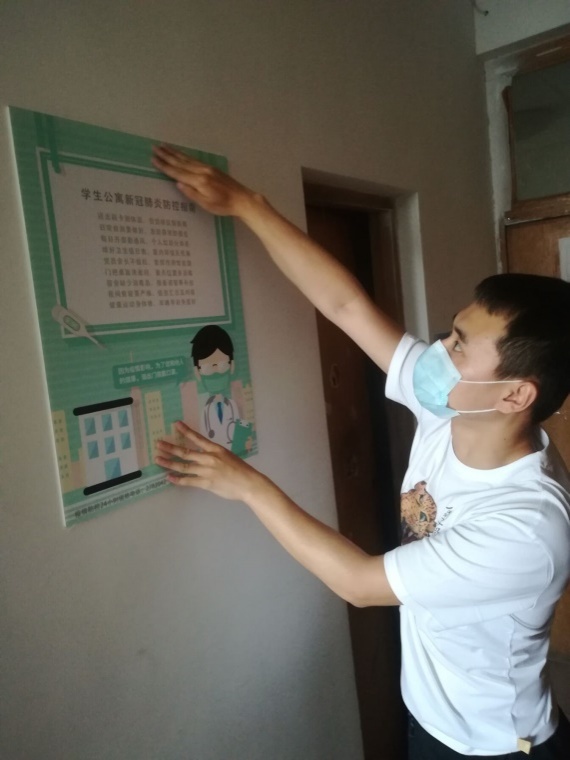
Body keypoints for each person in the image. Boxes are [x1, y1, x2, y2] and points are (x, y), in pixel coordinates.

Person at [152, 144, 570, 759]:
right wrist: (247, 205)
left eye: (459, 345)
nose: (438, 350)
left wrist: (247, 484)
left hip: (493, 745)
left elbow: (358, 583)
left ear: (514, 394)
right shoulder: (452, 407)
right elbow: (346, 306)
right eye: (451, 331)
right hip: (429, 715)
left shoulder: (525, 528)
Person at [190, 324, 239, 448]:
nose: (216, 372)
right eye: (207, 368)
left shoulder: (232, 405)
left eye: (222, 365)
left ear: (231, 365)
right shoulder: (205, 411)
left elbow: (240, 431)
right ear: (197, 372)